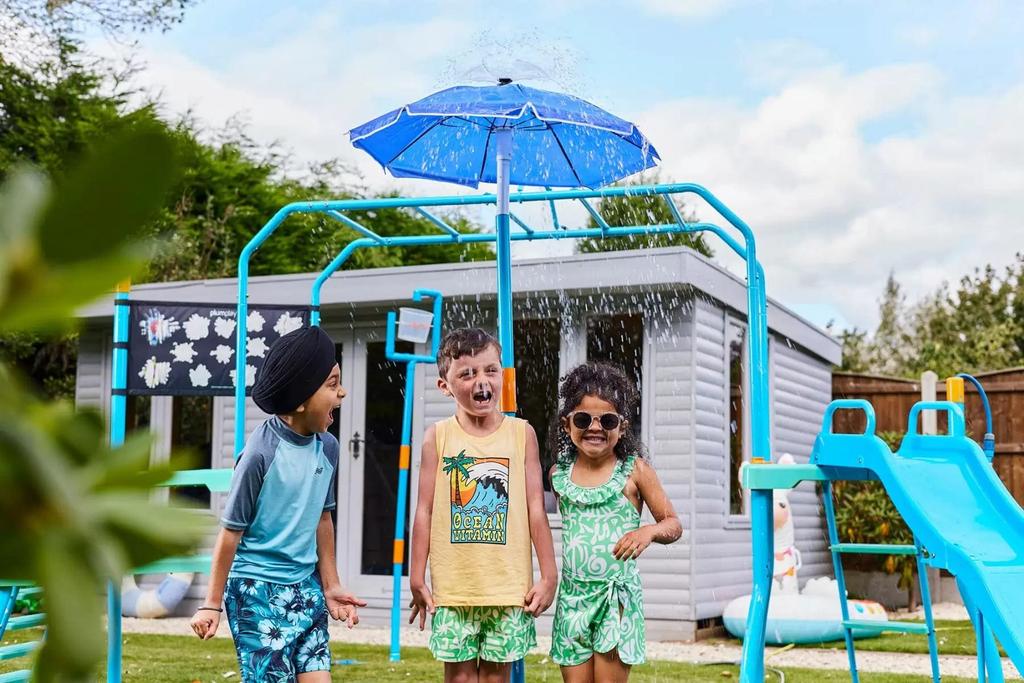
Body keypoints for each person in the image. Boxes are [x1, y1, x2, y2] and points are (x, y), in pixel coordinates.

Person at [190, 326, 366, 683]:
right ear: (300, 400)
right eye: (332, 385)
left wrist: (331, 585)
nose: (342, 393)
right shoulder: (260, 454)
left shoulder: (327, 447)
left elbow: (322, 518)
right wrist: (211, 603)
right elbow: (230, 534)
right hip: (257, 590)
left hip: (305, 586)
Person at [408, 327, 558, 683]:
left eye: (490, 370)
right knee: (459, 678)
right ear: (445, 385)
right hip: (454, 588)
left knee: (495, 677)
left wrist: (549, 574)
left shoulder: (522, 434)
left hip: (507, 588)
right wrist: (416, 575)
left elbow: (536, 509)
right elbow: (424, 511)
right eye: (467, 373)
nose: (482, 381)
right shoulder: (438, 437)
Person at [548, 362, 683, 683]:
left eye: (606, 420)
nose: (595, 427)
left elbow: (673, 523)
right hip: (572, 599)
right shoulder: (558, 475)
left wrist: (648, 530)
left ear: (621, 427)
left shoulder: (635, 471)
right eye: (583, 419)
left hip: (614, 599)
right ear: (567, 425)